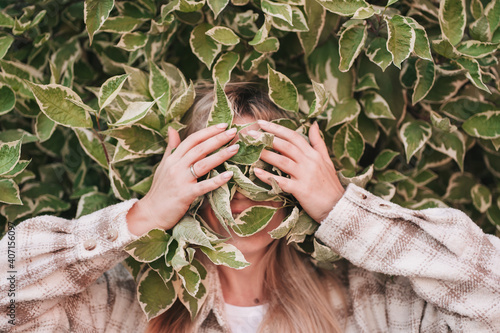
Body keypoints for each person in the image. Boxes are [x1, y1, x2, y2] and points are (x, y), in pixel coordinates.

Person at [1, 81, 499, 333]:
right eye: (218, 163)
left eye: (267, 165)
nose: (243, 190)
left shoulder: (369, 303)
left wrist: (342, 209)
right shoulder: (120, 304)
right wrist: (143, 218)